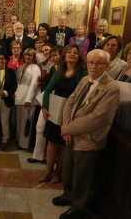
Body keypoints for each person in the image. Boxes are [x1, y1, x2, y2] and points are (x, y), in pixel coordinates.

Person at [52, 49, 120, 219]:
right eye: (91, 62)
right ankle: (67, 195)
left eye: (99, 63)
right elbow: (70, 101)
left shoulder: (111, 88)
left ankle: (78, 207)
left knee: (82, 175)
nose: (94, 66)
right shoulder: (85, 79)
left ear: (107, 66)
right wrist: (66, 125)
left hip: (89, 140)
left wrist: (68, 128)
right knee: (68, 170)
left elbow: (97, 119)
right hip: (72, 135)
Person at [41, 44, 87, 184]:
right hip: (55, 110)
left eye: (75, 53)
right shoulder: (60, 70)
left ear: (79, 57)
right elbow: (48, 90)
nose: (72, 54)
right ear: (65, 55)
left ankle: (57, 172)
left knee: (63, 144)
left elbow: (81, 96)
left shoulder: (82, 73)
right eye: (69, 52)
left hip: (71, 113)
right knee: (51, 142)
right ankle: (48, 171)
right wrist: (45, 107)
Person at [27, 46, 61, 164]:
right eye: (52, 55)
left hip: (57, 102)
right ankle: (37, 155)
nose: (53, 57)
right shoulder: (53, 69)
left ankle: (51, 157)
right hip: (47, 101)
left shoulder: (63, 69)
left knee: (53, 132)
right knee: (40, 127)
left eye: (56, 55)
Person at [16, 48, 41, 149]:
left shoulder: (35, 68)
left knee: (27, 121)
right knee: (19, 120)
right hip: (19, 96)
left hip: (29, 98)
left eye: (30, 55)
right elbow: (17, 83)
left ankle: (24, 144)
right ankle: (18, 139)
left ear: (33, 57)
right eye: (26, 55)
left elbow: (34, 84)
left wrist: (28, 99)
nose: (27, 57)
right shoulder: (21, 67)